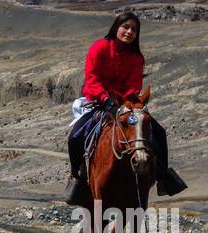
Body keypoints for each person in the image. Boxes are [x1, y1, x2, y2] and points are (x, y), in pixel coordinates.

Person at [65, 12, 183, 205]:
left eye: (134, 29)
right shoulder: (100, 47)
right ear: (116, 27)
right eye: (125, 27)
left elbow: (133, 85)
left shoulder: (136, 58)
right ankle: (77, 178)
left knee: (158, 132)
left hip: (124, 104)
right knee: (75, 136)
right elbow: (92, 78)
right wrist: (105, 99)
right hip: (97, 101)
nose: (129, 32)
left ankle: (163, 177)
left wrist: (125, 101)